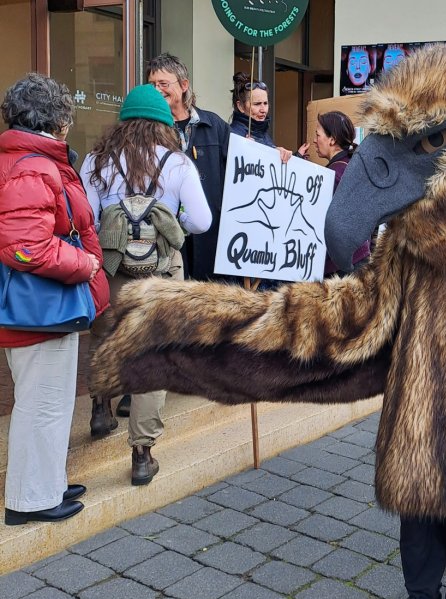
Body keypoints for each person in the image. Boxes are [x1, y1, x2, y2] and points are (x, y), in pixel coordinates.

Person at [81, 84, 212, 486]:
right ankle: (142, 453)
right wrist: (171, 224)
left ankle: (101, 408)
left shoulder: (95, 162)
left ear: (123, 123)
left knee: (106, 339)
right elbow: (202, 221)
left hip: (111, 271)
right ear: (163, 124)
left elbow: (86, 217)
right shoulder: (177, 165)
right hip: (161, 274)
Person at [0, 74, 109, 525]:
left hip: (41, 308)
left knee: (48, 400)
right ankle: (30, 501)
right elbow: (26, 246)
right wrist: (84, 264)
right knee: (42, 403)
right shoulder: (34, 165)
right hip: (41, 310)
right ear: (58, 120)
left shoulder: (27, 160)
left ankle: (46, 483)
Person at [146, 52, 229, 281]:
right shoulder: (147, 129)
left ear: (184, 85)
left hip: (209, 235)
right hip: (165, 236)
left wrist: (279, 155)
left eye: (163, 84)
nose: (156, 90)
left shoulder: (214, 126)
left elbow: (242, 167)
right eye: (151, 84)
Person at [299, 111, 370, 275]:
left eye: (318, 135)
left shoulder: (334, 175)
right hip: (359, 258)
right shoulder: (353, 166)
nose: (315, 141)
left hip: (341, 267)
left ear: (332, 139)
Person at [229, 72, 294, 163]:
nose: (263, 110)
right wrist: (241, 150)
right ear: (240, 106)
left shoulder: (263, 134)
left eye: (265, 103)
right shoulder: (232, 136)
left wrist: (276, 152)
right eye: (257, 104)